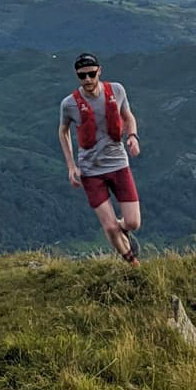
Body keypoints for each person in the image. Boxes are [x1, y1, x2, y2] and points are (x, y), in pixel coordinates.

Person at [58, 53, 143, 265]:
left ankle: (123, 233)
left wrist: (132, 136)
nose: (87, 79)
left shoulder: (117, 90)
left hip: (119, 164)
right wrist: (71, 166)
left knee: (132, 222)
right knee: (110, 226)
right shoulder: (69, 104)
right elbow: (63, 131)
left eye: (91, 74)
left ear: (99, 71)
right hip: (90, 171)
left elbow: (127, 115)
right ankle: (132, 263)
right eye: (82, 76)